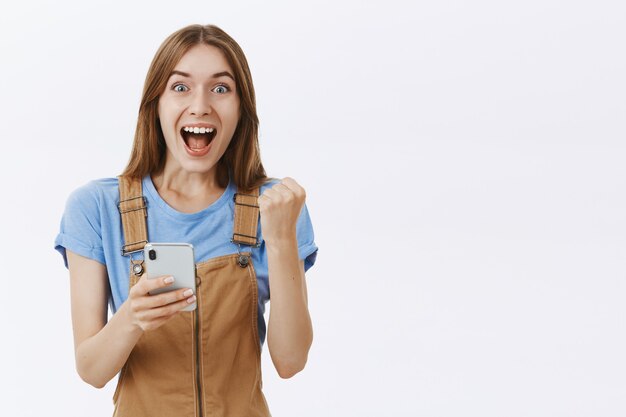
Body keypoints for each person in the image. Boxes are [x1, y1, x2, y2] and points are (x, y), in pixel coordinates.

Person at [54, 24, 318, 417]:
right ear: (155, 104)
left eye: (221, 88)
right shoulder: (96, 207)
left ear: (241, 107)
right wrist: (131, 318)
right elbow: (91, 370)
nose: (200, 106)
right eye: (180, 87)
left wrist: (280, 241)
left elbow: (290, 361)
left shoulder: (276, 206)